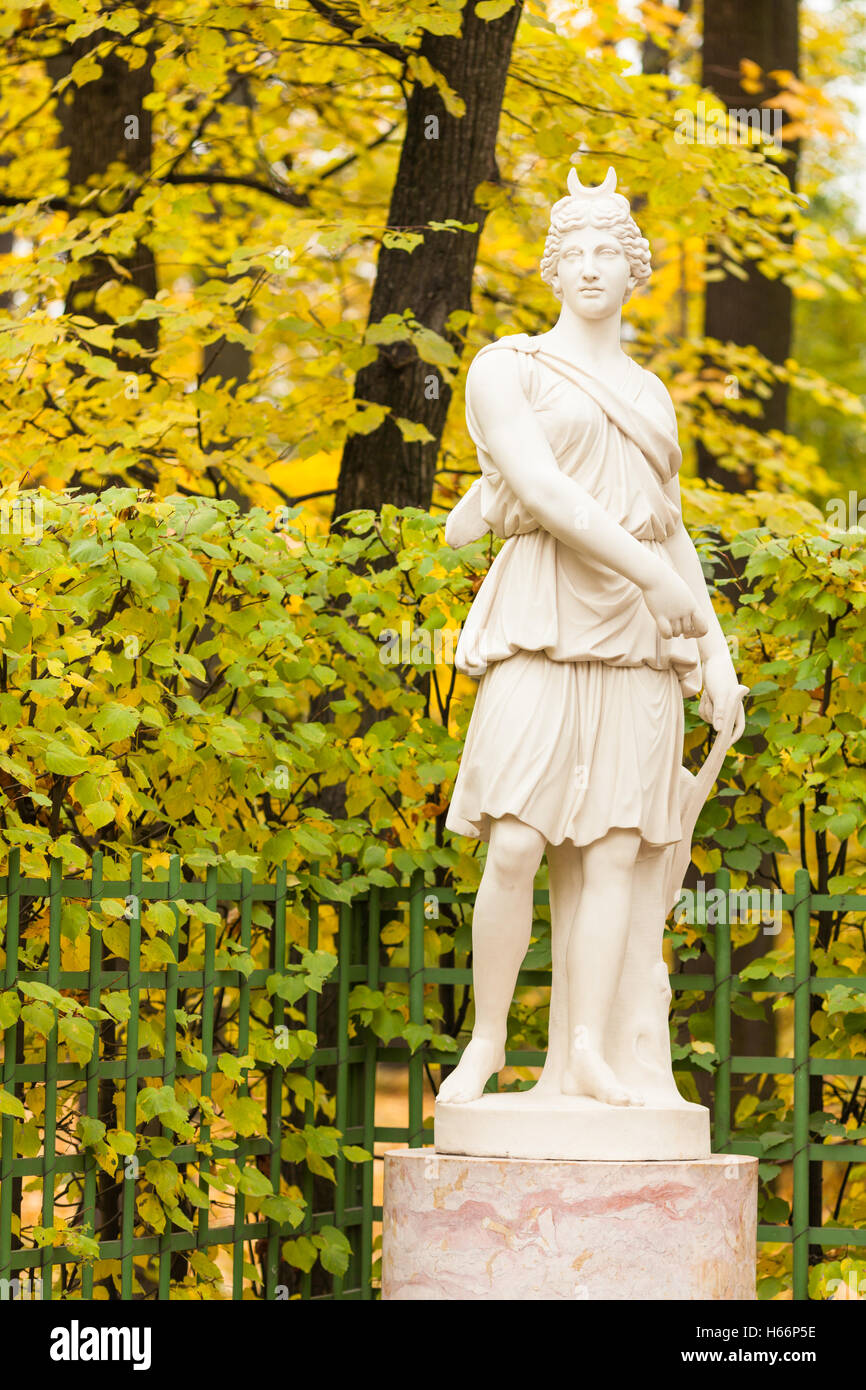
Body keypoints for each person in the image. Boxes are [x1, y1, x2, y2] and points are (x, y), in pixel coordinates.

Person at [439, 167, 746, 1107]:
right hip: (542, 616)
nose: (588, 266)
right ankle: (488, 1039)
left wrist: (718, 662)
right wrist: (654, 579)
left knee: (615, 850)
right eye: (571, 251)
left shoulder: (653, 393)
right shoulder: (509, 366)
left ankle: (583, 1049)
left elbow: (671, 529)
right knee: (516, 844)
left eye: (607, 250)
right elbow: (543, 492)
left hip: (640, 644)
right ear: (549, 267)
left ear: (635, 268)